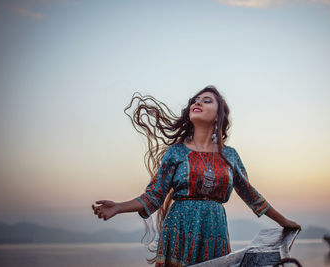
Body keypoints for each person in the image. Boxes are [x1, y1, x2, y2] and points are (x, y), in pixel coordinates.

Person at [92, 86, 301, 267]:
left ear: (219, 115)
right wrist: (119, 207)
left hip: (214, 232)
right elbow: (153, 196)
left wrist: (283, 222)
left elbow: (251, 195)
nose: (197, 102)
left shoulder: (229, 155)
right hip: (180, 231)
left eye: (206, 100)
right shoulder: (176, 152)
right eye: (195, 100)